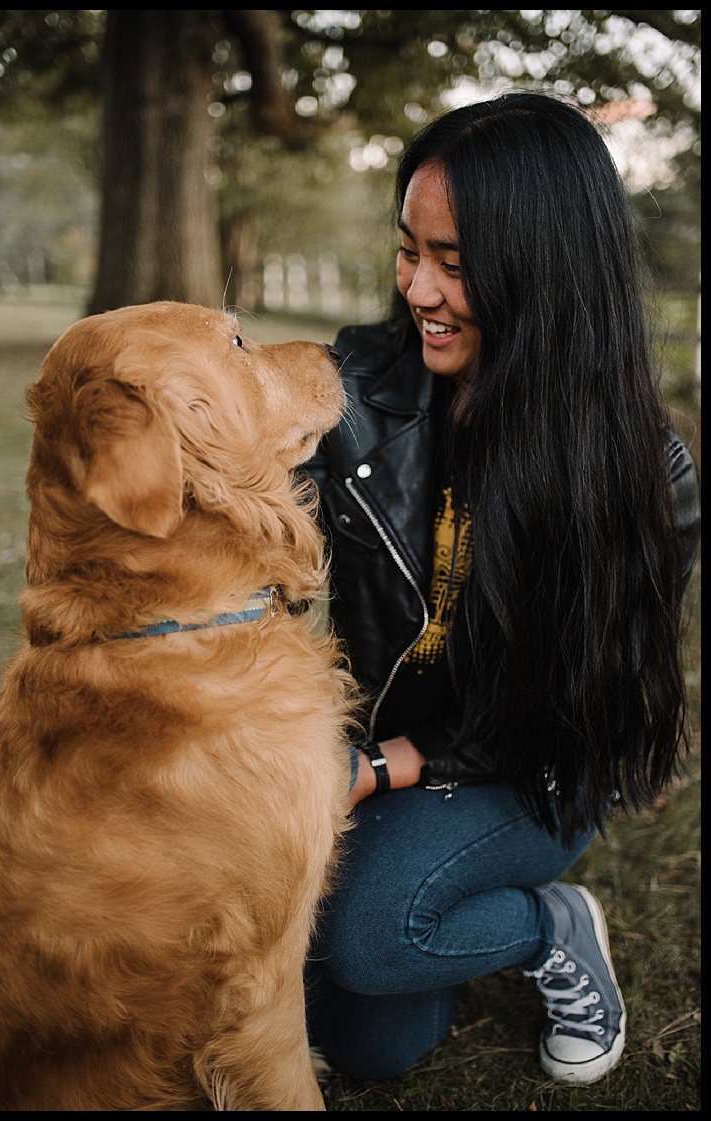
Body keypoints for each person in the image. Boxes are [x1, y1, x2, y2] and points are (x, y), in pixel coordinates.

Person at [303, 92, 700, 1085]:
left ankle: (548, 927)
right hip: (375, 738)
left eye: (456, 261)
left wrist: (377, 769)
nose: (421, 290)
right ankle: (405, 904)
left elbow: (575, 707)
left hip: (531, 761)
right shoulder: (354, 388)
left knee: (366, 935)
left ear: (546, 269)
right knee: (366, 1040)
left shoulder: (646, 472)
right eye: (409, 249)